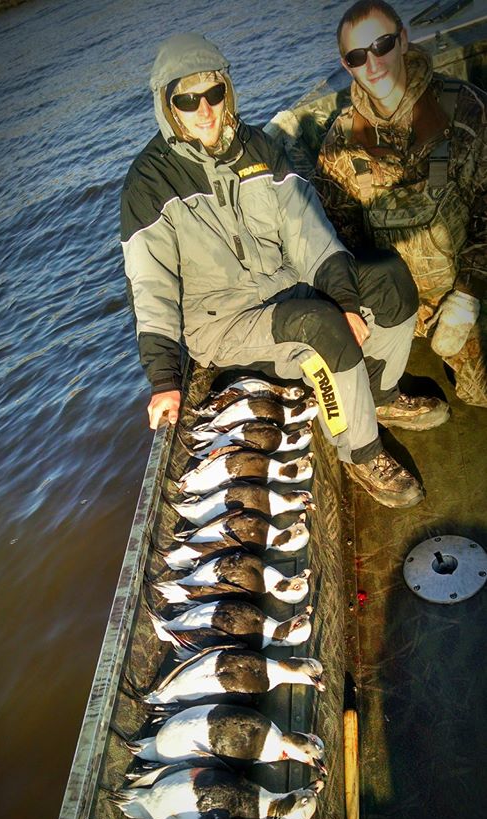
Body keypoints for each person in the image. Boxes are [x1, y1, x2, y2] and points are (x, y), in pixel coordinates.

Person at [120, 31, 448, 509]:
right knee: (320, 326)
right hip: (223, 323)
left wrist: (346, 297)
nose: (205, 110)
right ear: (169, 106)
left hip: (284, 286)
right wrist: (164, 380)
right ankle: (360, 451)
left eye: (213, 93)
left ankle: (379, 395)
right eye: (188, 99)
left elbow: (307, 231)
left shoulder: (257, 148)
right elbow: (151, 288)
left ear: (226, 91)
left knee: (390, 279)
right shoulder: (147, 182)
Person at [316, 0, 487, 407]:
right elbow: (335, 239)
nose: (373, 63)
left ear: (404, 40)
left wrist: (467, 295)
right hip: (397, 306)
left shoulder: (465, 107)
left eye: (383, 45)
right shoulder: (339, 144)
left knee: (480, 392)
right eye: (358, 56)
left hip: (468, 286)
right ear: (347, 65)